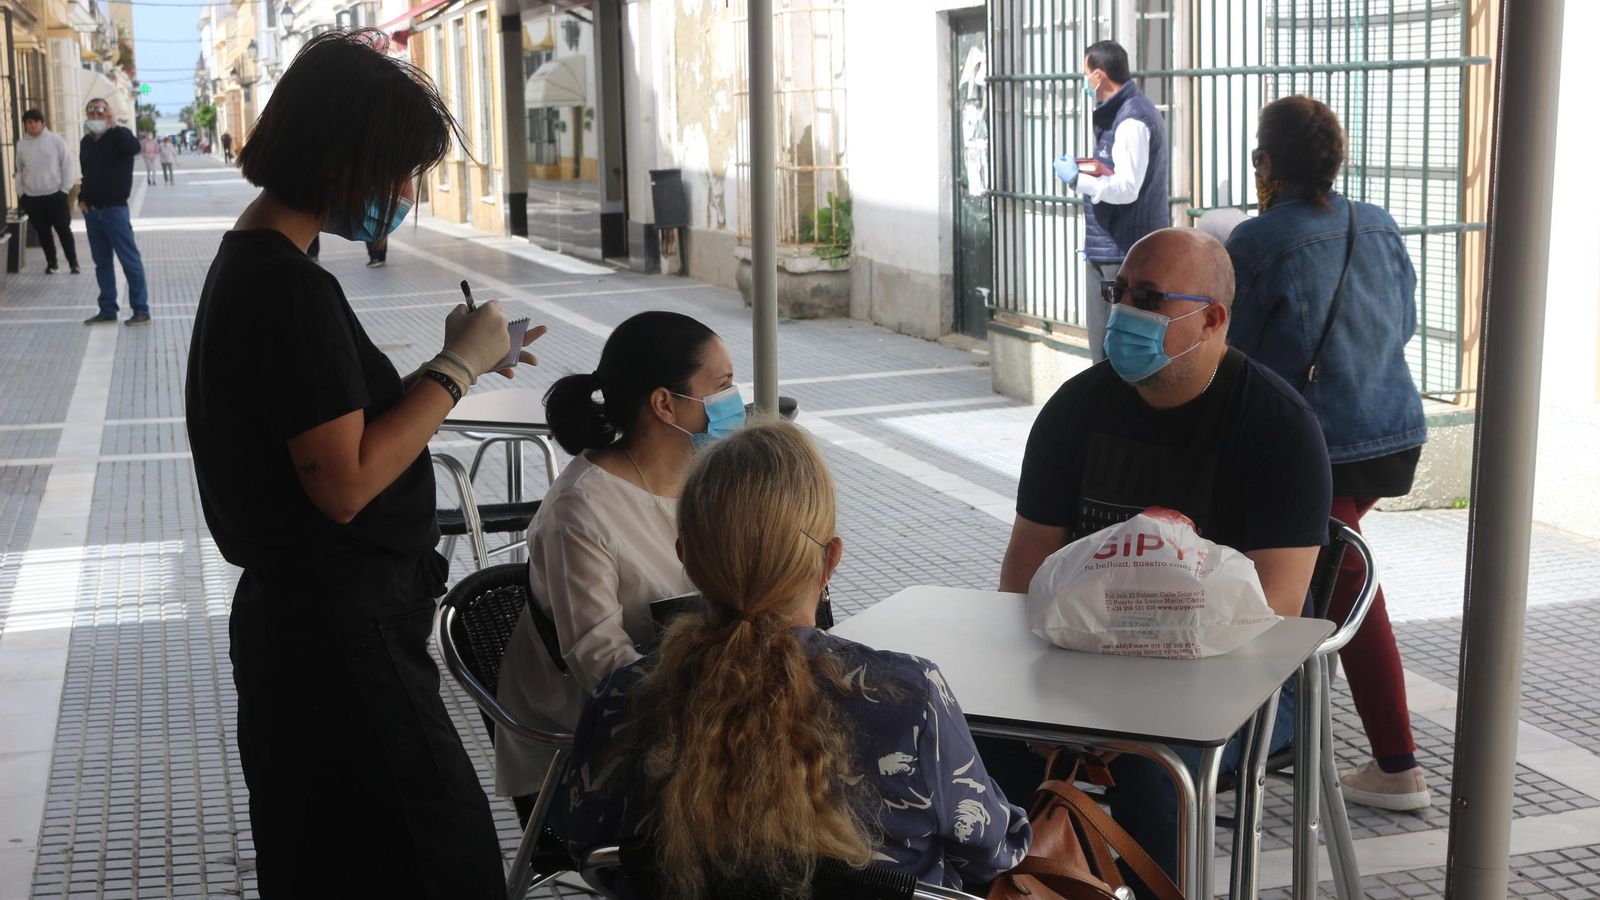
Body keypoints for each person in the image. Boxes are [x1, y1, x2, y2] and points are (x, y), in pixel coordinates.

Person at [184, 31, 547, 899]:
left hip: (315, 631)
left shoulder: (271, 266)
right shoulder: (283, 288)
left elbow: (334, 436)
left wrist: (451, 363)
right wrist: (456, 369)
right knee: (441, 863)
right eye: (396, 172)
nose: (404, 194)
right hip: (340, 641)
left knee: (335, 862)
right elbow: (344, 482)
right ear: (341, 158)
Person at [566, 421, 1032, 896]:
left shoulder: (623, 698)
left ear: (685, 555)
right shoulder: (908, 698)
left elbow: (586, 839)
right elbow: (992, 850)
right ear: (830, 559)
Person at [996, 228, 1331, 885]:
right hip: (1086, 670)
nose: (1124, 312)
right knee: (976, 741)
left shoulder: (1278, 428)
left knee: (1151, 772)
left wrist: (1128, 701)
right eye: (1119, 292)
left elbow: (1276, 612)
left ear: (1211, 319)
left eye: (1148, 298)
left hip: (1242, 681)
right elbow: (1024, 571)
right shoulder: (1076, 410)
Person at [1226, 95, 1430, 811]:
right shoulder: (1375, 221)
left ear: (1268, 162)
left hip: (1315, 444)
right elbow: (1403, 321)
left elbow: (1230, 353)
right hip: (1392, 431)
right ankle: (1287, 734)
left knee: (1346, 590)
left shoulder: (1254, 241)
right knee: (1320, 579)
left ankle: (1398, 765)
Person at [494, 310, 736, 808]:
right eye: (723, 386)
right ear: (665, 404)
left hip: (696, 711)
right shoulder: (581, 510)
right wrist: (716, 711)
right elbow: (599, 659)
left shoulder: (707, 476)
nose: (734, 402)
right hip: (589, 754)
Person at [1052, 40, 1169, 363]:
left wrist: (1077, 179)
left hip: (1121, 249)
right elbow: (1117, 171)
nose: (1084, 81)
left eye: (1086, 73)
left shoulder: (1132, 120)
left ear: (1099, 76)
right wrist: (1089, 167)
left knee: (1110, 348)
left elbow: (1128, 187)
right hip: (1111, 245)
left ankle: (1109, 411)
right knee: (1106, 344)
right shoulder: (1121, 113)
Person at [79, 98, 150, 327]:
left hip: (115, 211)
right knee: (102, 263)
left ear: (108, 113)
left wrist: (114, 123)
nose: (96, 116)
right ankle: (107, 309)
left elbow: (134, 148)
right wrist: (82, 199)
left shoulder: (120, 136)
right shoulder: (86, 142)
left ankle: (141, 309)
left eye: (101, 112)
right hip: (92, 212)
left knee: (130, 261)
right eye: (91, 112)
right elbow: (87, 173)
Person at [16, 109, 80, 275]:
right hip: (33, 197)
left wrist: (65, 190)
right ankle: (52, 264)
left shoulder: (56, 140)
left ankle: (73, 262)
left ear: (42, 122)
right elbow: (18, 170)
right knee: (43, 233)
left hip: (56, 195)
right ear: (26, 124)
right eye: (29, 122)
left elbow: (67, 165)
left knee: (64, 230)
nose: (33, 124)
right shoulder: (21, 145)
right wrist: (21, 194)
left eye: (36, 121)